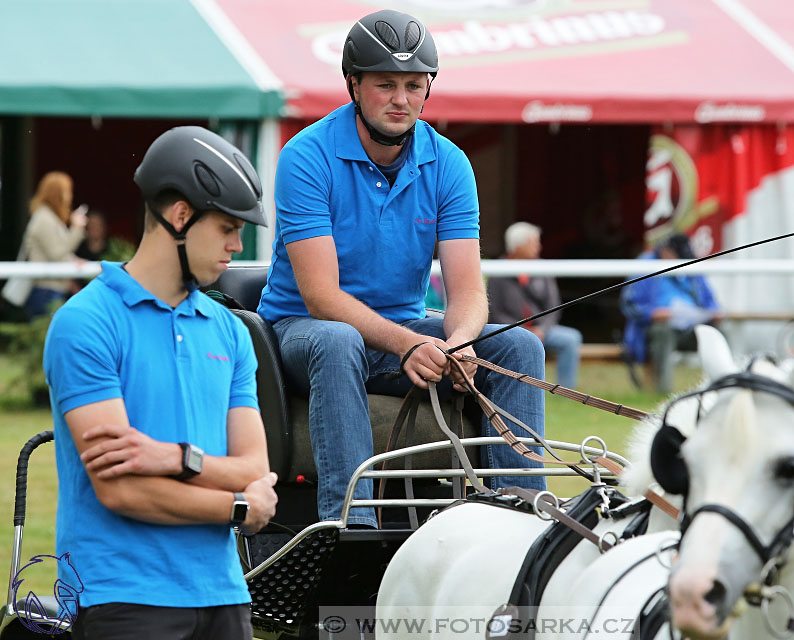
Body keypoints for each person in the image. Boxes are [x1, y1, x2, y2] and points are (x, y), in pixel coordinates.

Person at [258, 9, 546, 529]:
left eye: (414, 85)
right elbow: (322, 299)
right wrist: (409, 344)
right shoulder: (305, 157)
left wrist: (458, 342)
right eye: (385, 84)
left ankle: (521, 521)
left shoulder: (450, 163)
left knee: (520, 346)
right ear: (353, 84)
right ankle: (351, 527)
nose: (401, 99)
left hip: (401, 333)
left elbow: (468, 293)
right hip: (303, 333)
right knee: (337, 339)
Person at [43, 127, 277, 639]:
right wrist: (238, 506)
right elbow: (122, 490)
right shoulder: (86, 322)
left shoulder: (231, 332)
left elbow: (254, 466)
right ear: (180, 216)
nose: (238, 247)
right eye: (228, 228)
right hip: (121, 597)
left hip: (226, 593)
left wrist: (173, 458)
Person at [620, 233, 720, 394]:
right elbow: (629, 305)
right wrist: (652, 314)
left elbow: (711, 302)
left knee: (718, 333)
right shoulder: (645, 265)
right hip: (655, 329)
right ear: (666, 251)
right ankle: (663, 393)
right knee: (662, 331)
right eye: (677, 258)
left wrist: (714, 312)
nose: (681, 262)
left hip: (690, 328)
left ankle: (720, 387)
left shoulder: (690, 265)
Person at [488, 222, 583, 388]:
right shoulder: (498, 271)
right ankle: (517, 388)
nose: (538, 247)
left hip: (542, 331)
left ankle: (566, 391)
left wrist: (542, 330)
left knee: (571, 339)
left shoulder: (542, 268)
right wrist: (520, 329)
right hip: (512, 331)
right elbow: (494, 311)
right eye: (533, 242)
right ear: (518, 246)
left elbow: (554, 306)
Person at [17, 172, 88, 317]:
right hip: (46, 290)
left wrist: (73, 260)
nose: (69, 197)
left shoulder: (49, 217)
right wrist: (76, 229)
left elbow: (57, 252)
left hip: (52, 289)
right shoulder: (44, 218)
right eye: (67, 192)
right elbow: (56, 253)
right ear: (57, 194)